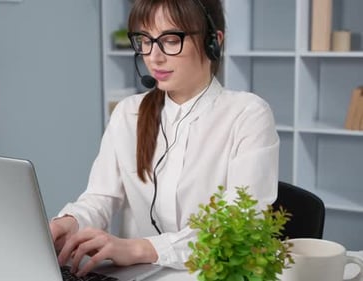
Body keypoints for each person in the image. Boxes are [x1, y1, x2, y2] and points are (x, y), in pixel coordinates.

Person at [49, 0, 279, 277]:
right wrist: (71, 222)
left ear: (213, 41)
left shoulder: (247, 115)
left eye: (170, 40)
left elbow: (237, 227)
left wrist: (140, 248)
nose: (154, 57)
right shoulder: (128, 113)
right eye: (144, 40)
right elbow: (101, 197)